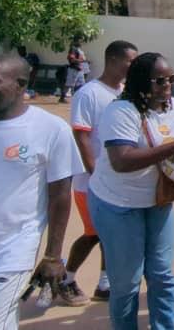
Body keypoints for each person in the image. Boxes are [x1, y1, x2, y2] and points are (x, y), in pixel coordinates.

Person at [0, 54, 83, 329]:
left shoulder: (52, 130)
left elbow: (60, 195)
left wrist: (52, 256)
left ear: (21, 84)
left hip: (11, 253)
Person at [87, 52, 174, 330]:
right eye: (159, 81)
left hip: (157, 201)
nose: (168, 85)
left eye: (171, 79)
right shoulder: (121, 111)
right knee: (127, 283)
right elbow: (122, 161)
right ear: (141, 82)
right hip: (118, 204)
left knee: (162, 275)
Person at [62, 40, 139, 306]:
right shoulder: (89, 93)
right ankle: (66, 279)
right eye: (130, 61)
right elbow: (81, 136)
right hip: (90, 183)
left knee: (110, 232)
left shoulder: (125, 92)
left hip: (115, 181)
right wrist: (95, 174)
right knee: (94, 232)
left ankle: (105, 283)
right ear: (114, 60)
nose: (133, 66)